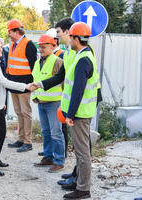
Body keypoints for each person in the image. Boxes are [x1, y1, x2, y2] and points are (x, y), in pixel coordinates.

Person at [0, 39, 36, 176]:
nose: (0, 49)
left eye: (0, 47)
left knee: (1, 133)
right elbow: (4, 82)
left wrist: (2, 102)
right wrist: (25, 86)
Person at [61, 22, 99, 199]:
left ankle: (83, 189)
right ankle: (79, 182)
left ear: (77, 39)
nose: (69, 40)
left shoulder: (83, 59)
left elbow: (78, 90)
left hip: (80, 114)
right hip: (81, 112)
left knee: (83, 152)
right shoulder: (84, 55)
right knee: (80, 150)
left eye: (71, 37)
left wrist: (70, 114)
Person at [32, 34, 65, 173]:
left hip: (54, 103)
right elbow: (36, 79)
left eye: (44, 46)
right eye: (39, 46)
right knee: (45, 132)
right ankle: (48, 156)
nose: (41, 49)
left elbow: (59, 80)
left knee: (56, 133)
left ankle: (59, 161)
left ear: (52, 46)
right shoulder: (37, 61)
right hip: (41, 102)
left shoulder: (57, 61)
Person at [6, 19, 37, 152]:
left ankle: (28, 142)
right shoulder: (13, 44)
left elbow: (33, 66)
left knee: (25, 112)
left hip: (24, 85)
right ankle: (21, 139)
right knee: (19, 112)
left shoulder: (28, 44)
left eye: (10, 31)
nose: (8, 34)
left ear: (17, 31)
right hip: (14, 84)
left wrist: (30, 84)